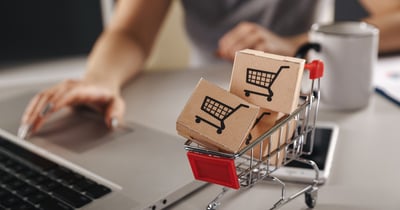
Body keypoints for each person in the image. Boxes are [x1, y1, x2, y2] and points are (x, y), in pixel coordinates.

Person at [18, 0, 400, 139]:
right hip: (209, 89)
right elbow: (130, 30)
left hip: (302, 89)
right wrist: (100, 80)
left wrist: (294, 43)